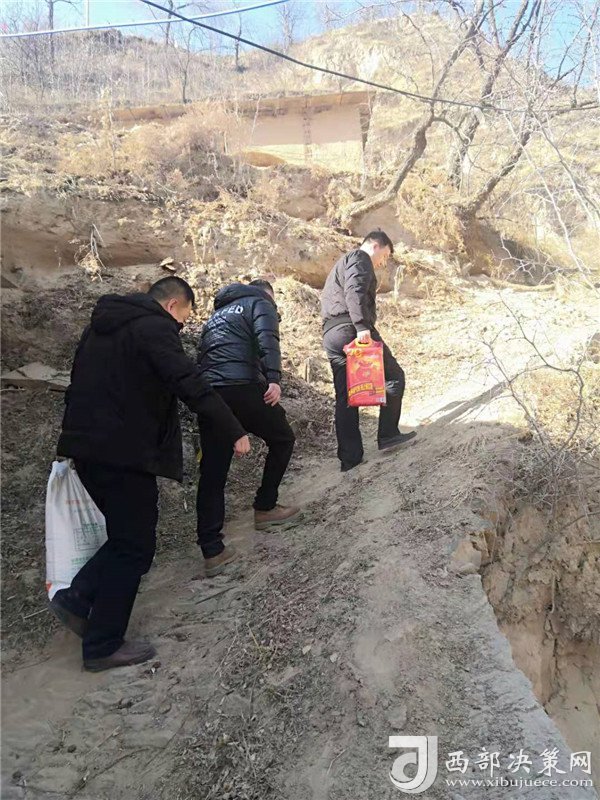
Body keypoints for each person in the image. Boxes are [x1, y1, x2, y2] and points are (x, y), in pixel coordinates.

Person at [50, 277, 250, 672]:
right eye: (184, 319)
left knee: (125, 538)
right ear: (173, 305)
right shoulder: (154, 328)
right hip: (124, 450)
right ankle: (103, 644)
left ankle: (77, 598)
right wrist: (234, 429)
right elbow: (188, 381)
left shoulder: (100, 327)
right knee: (134, 546)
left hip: (86, 445)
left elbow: (79, 382)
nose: (181, 327)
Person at [195, 279, 300, 565]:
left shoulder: (216, 315)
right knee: (283, 439)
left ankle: (212, 548)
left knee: (213, 470)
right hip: (243, 387)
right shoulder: (259, 302)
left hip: (210, 394)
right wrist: (274, 379)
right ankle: (265, 507)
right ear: (268, 294)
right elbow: (268, 340)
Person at [321, 230, 416, 472]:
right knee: (394, 376)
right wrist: (362, 326)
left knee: (345, 397)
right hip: (352, 329)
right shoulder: (359, 257)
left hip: (331, 335)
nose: (382, 262)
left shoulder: (341, 265)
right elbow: (354, 291)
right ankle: (388, 434)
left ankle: (350, 458)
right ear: (375, 246)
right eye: (384, 256)